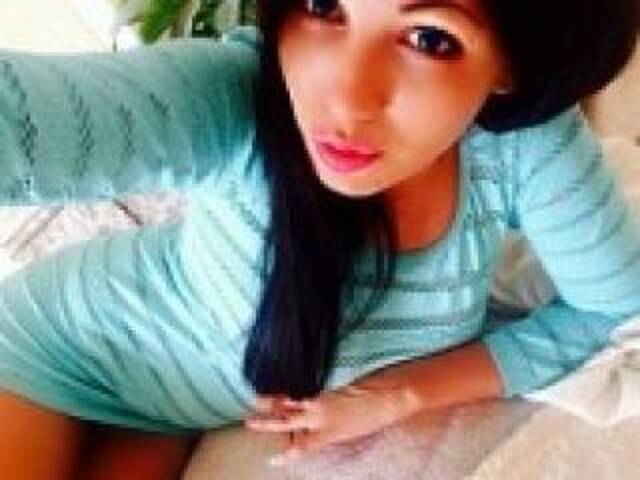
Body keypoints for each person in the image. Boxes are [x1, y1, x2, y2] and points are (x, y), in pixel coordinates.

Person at [0, 0, 639, 477]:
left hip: (171, 415)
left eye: (429, 38)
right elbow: (25, 122)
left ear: (509, 65)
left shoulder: (522, 148)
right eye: (321, 4)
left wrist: (397, 396)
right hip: (54, 351)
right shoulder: (234, 97)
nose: (346, 98)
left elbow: (610, 308)